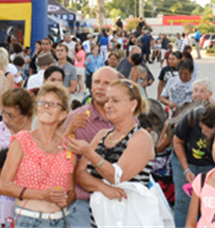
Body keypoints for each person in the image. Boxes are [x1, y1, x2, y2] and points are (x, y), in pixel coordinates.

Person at [64, 79, 155, 225]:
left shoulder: (141, 138)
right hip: (99, 220)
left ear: (133, 105)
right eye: (107, 100)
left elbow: (117, 177)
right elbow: (79, 174)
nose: (108, 105)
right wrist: (103, 187)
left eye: (115, 100)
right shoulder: (102, 135)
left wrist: (89, 152)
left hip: (130, 220)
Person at [0, 83, 76, 227]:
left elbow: (71, 191)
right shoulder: (23, 140)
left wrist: (66, 199)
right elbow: (4, 186)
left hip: (61, 220)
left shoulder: (68, 147)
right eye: (42, 102)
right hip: (29, 220)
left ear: (63, 114)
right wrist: (42, 195)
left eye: (52, 104)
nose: (46, 106)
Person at [56, 69, 125, 227]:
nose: (100, 87)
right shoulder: (77, 117)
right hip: (83, 203)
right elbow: (56, 156)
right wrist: (69, 131)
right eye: (97, 82)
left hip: (118, 200)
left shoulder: (128, 119)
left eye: (107, 83)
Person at [170, 103, 215, 227]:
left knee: (209, 202)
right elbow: (177, 142)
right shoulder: (191, 117)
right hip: (184, 161)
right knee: (183, 203)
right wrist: (186, 169)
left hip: (211, 165)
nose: (204, 133)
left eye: (209, 134)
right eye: (202, 129)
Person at [0, 88, 34, 225]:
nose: (5, 119)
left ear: (26, 116)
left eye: (11, 115)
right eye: (4, 113)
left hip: (23, 199)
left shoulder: (36, 137)